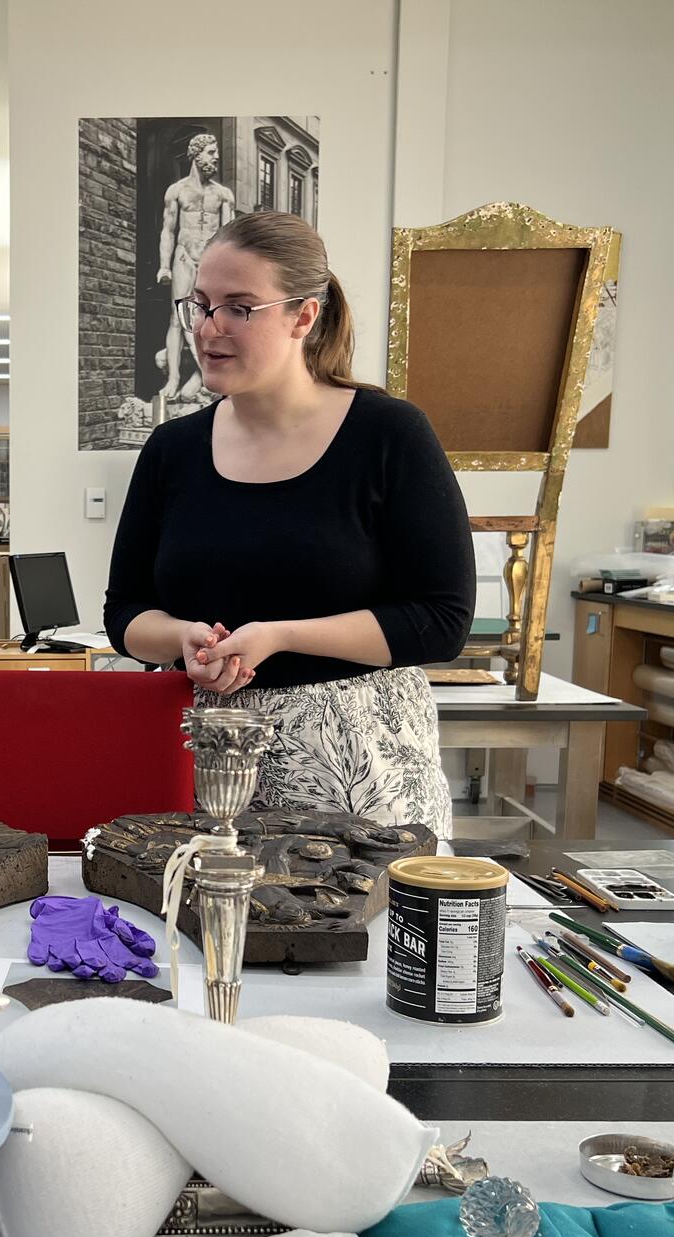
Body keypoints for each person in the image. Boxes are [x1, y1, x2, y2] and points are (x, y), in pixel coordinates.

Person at [104, 211, 474, 835]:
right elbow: (125, 614)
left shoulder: (389, 435)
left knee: (366, 931)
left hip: (361, 771)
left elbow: (440, 621)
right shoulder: (172, 450)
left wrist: (280, 635)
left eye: (239, 308)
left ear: (303, 316)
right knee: (200, 931)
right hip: (200, 764)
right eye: (200, 304)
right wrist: (182, 639)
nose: (208, 329)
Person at [155, 132, 235, 411]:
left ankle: (206, 376)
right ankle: (174, 379)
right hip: (184, 257)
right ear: (196, 154)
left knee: (213, 319)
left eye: (216, 153)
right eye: (211, 153)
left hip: (212, 263)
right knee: (178, 319)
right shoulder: (176, 191)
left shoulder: (223, 195)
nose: (215, 158)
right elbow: (168, 230)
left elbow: (228, 237)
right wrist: (164, 265)